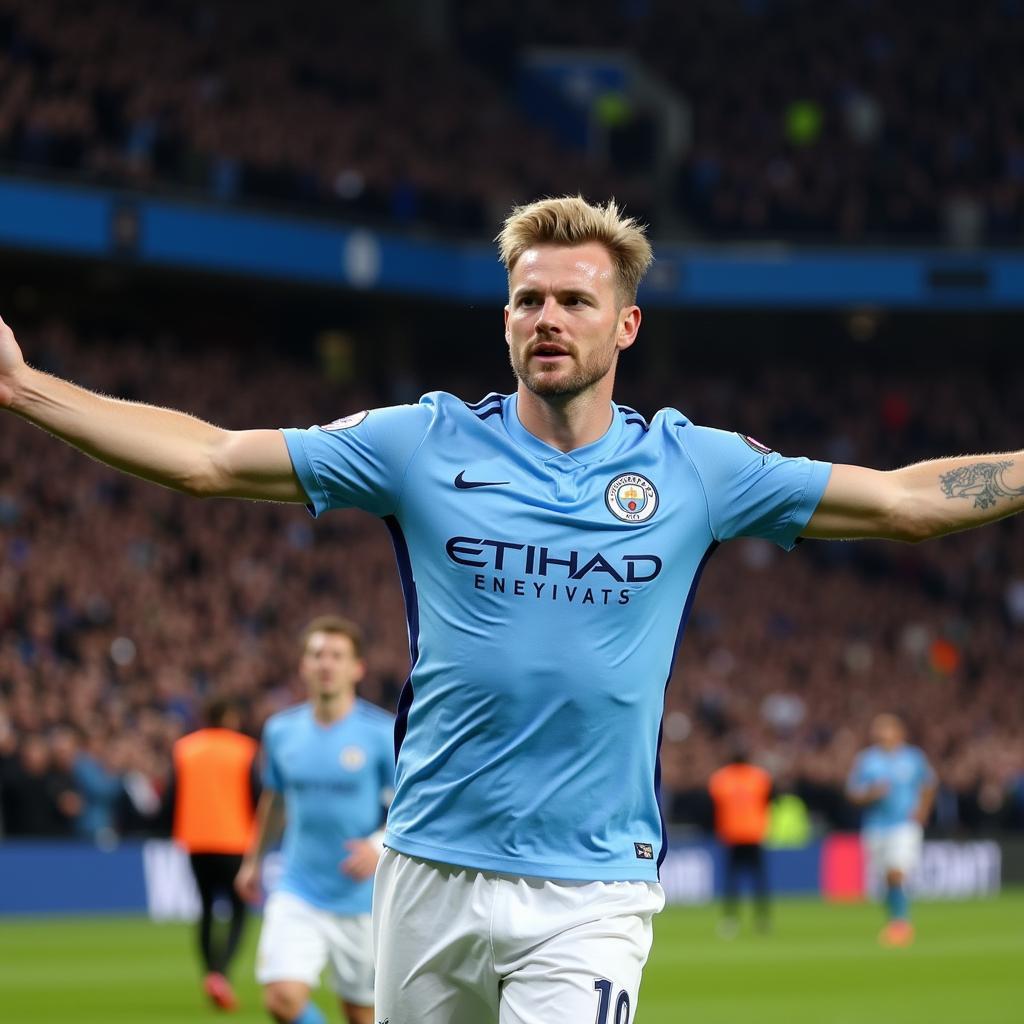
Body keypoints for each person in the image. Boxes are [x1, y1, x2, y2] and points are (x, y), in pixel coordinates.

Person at [3, 194, 1024, 1021]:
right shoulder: (421, 443)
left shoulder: (694, 466)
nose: (548, 318)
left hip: (590, 885)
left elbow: (903, 503)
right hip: (428, 863)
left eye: (575, 301)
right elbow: (212, 460)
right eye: (528, 298)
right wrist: (23, 390)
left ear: (624, 322)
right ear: (502, 317)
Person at [235, 616, 394, 1024]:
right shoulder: (280, 731)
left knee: (362, 1015)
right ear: (303, 666)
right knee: (282, 998)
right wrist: (254, 861)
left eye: (337, 656)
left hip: (361, 898)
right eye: (317, 654)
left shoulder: (380, 733)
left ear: (356, 668)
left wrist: (378, 845)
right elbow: (275, 799)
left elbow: (411, 806)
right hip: (298, 888)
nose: (326, 664)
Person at [169, 695, 259, 1010]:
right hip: (234, 840)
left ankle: (211, 973)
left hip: (195, 840)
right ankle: (221, 973)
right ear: (230, 717)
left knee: (206, 908)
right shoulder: (244, 749)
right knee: (238, 910)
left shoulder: (185, 749)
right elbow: (257, 795)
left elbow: (171, 795)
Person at [847, 713, 937, 946]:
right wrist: (870, 794)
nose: (880, 733)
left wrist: (923, 810)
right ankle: (894, 920)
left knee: (897, 872)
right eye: (877, 729)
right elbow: (853, 793)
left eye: (885, 728)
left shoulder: (913, 758)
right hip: (876, 825)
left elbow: (928, 784)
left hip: (903, 824)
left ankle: (900, 923)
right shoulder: (867, 760)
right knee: (886, 878)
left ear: (899, 732)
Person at [708, 747, 772, 936]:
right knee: (758, 880)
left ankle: (730, 920)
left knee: (732, 881)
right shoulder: (759, 777)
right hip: (753, 834)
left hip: (732, 835)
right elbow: (767, 801)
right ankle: (762, 920)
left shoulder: (721, 779)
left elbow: (714, 806)